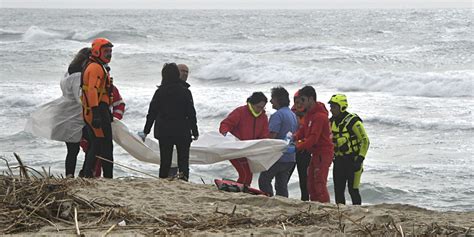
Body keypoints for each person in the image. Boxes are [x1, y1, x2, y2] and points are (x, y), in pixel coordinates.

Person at [24, 47, 90, 178]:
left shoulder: (68, 73)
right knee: (87, 146)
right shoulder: (78, 76)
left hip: (65, 112)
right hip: (74, 116)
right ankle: (81, 174)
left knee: (73, 149)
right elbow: (79, 98)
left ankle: (71, 175)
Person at [141, 63, 199, 181]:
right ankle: (183, 181)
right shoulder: (185, 92)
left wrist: (145, 131)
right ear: (177, 74)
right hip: (182, 131)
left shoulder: (160, 92)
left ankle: (163, 180)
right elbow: (191, 113)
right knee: (183, 160)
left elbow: (151, 113)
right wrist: (195, 131)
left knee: (165, 160)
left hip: (164, 131)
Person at [80, 38, 115, 178]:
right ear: (96, 51)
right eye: (106, 51)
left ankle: (87, 174)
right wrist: (96, 113)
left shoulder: (98, 66)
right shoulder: (95, 68)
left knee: (97, 144)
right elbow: (92, 91)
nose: (109, 54)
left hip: (99, 109)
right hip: (96, 110)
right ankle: (106, 176)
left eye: (110, 51)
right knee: (104, 146)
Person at [219, 92, 269, 186]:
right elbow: (225, 124)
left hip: (249, 150)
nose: (260, 110)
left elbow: (264, 135)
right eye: (259, 107)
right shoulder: (240, 112)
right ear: (252, 104)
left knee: (248, 174)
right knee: (246, 174)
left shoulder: (263, 117)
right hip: (235, 149)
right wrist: (226, 135)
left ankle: (241, 189)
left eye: (263, 107)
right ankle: (241, 191)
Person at [294, 86, 334, 203]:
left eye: (303, 100)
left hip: (323, 153)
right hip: (315, 153)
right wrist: (294, 137)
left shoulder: (320, 116)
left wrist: (297, 147)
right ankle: (315, 205)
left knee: (319, 183)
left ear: (310, 99)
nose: (301, 103)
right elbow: (304, 130)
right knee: (310, 183)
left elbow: (313, 138)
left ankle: (325, 207)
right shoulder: (309, 114)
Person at [328, 94, 370, 205]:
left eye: (333, 107)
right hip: (339, 161)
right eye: (331, 107)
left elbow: (365, 140)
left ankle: (358, 212)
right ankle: (340, 213)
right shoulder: (331, 122)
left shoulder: (353, 122)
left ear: (342, 107)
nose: (331, 109)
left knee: (353, 190)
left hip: (353, 161)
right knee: (338, 190)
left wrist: (360, 159)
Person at [258, 87, 298, 197]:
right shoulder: (292, 114)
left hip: (278, 156)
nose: (270, 101)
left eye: (272, 99)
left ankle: (268, 199)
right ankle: (282, 202)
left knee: (264, 180)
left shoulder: (278, 115)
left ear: (278, 99)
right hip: (290, 156)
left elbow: (272, 136)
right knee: (281, 185)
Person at [167, 63, 191, 177]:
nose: (185, 74)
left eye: (187, 72)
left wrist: (194, 130)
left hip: (182, 130)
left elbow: (191, 112)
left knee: (183, 159)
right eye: (183, 71)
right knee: (169, 157)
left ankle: (182, 178)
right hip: (171, 130)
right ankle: (170, 177)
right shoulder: (166, 88)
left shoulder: (186, 89)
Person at [292, 91, 312, 201]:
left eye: (301, 102)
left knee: (304, 179)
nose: (299, 104)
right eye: (296, 102)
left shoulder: (310, 115)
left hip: (304, 151)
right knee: (284, 177)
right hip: (291, 150)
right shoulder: (291, 113)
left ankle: (305, 200)